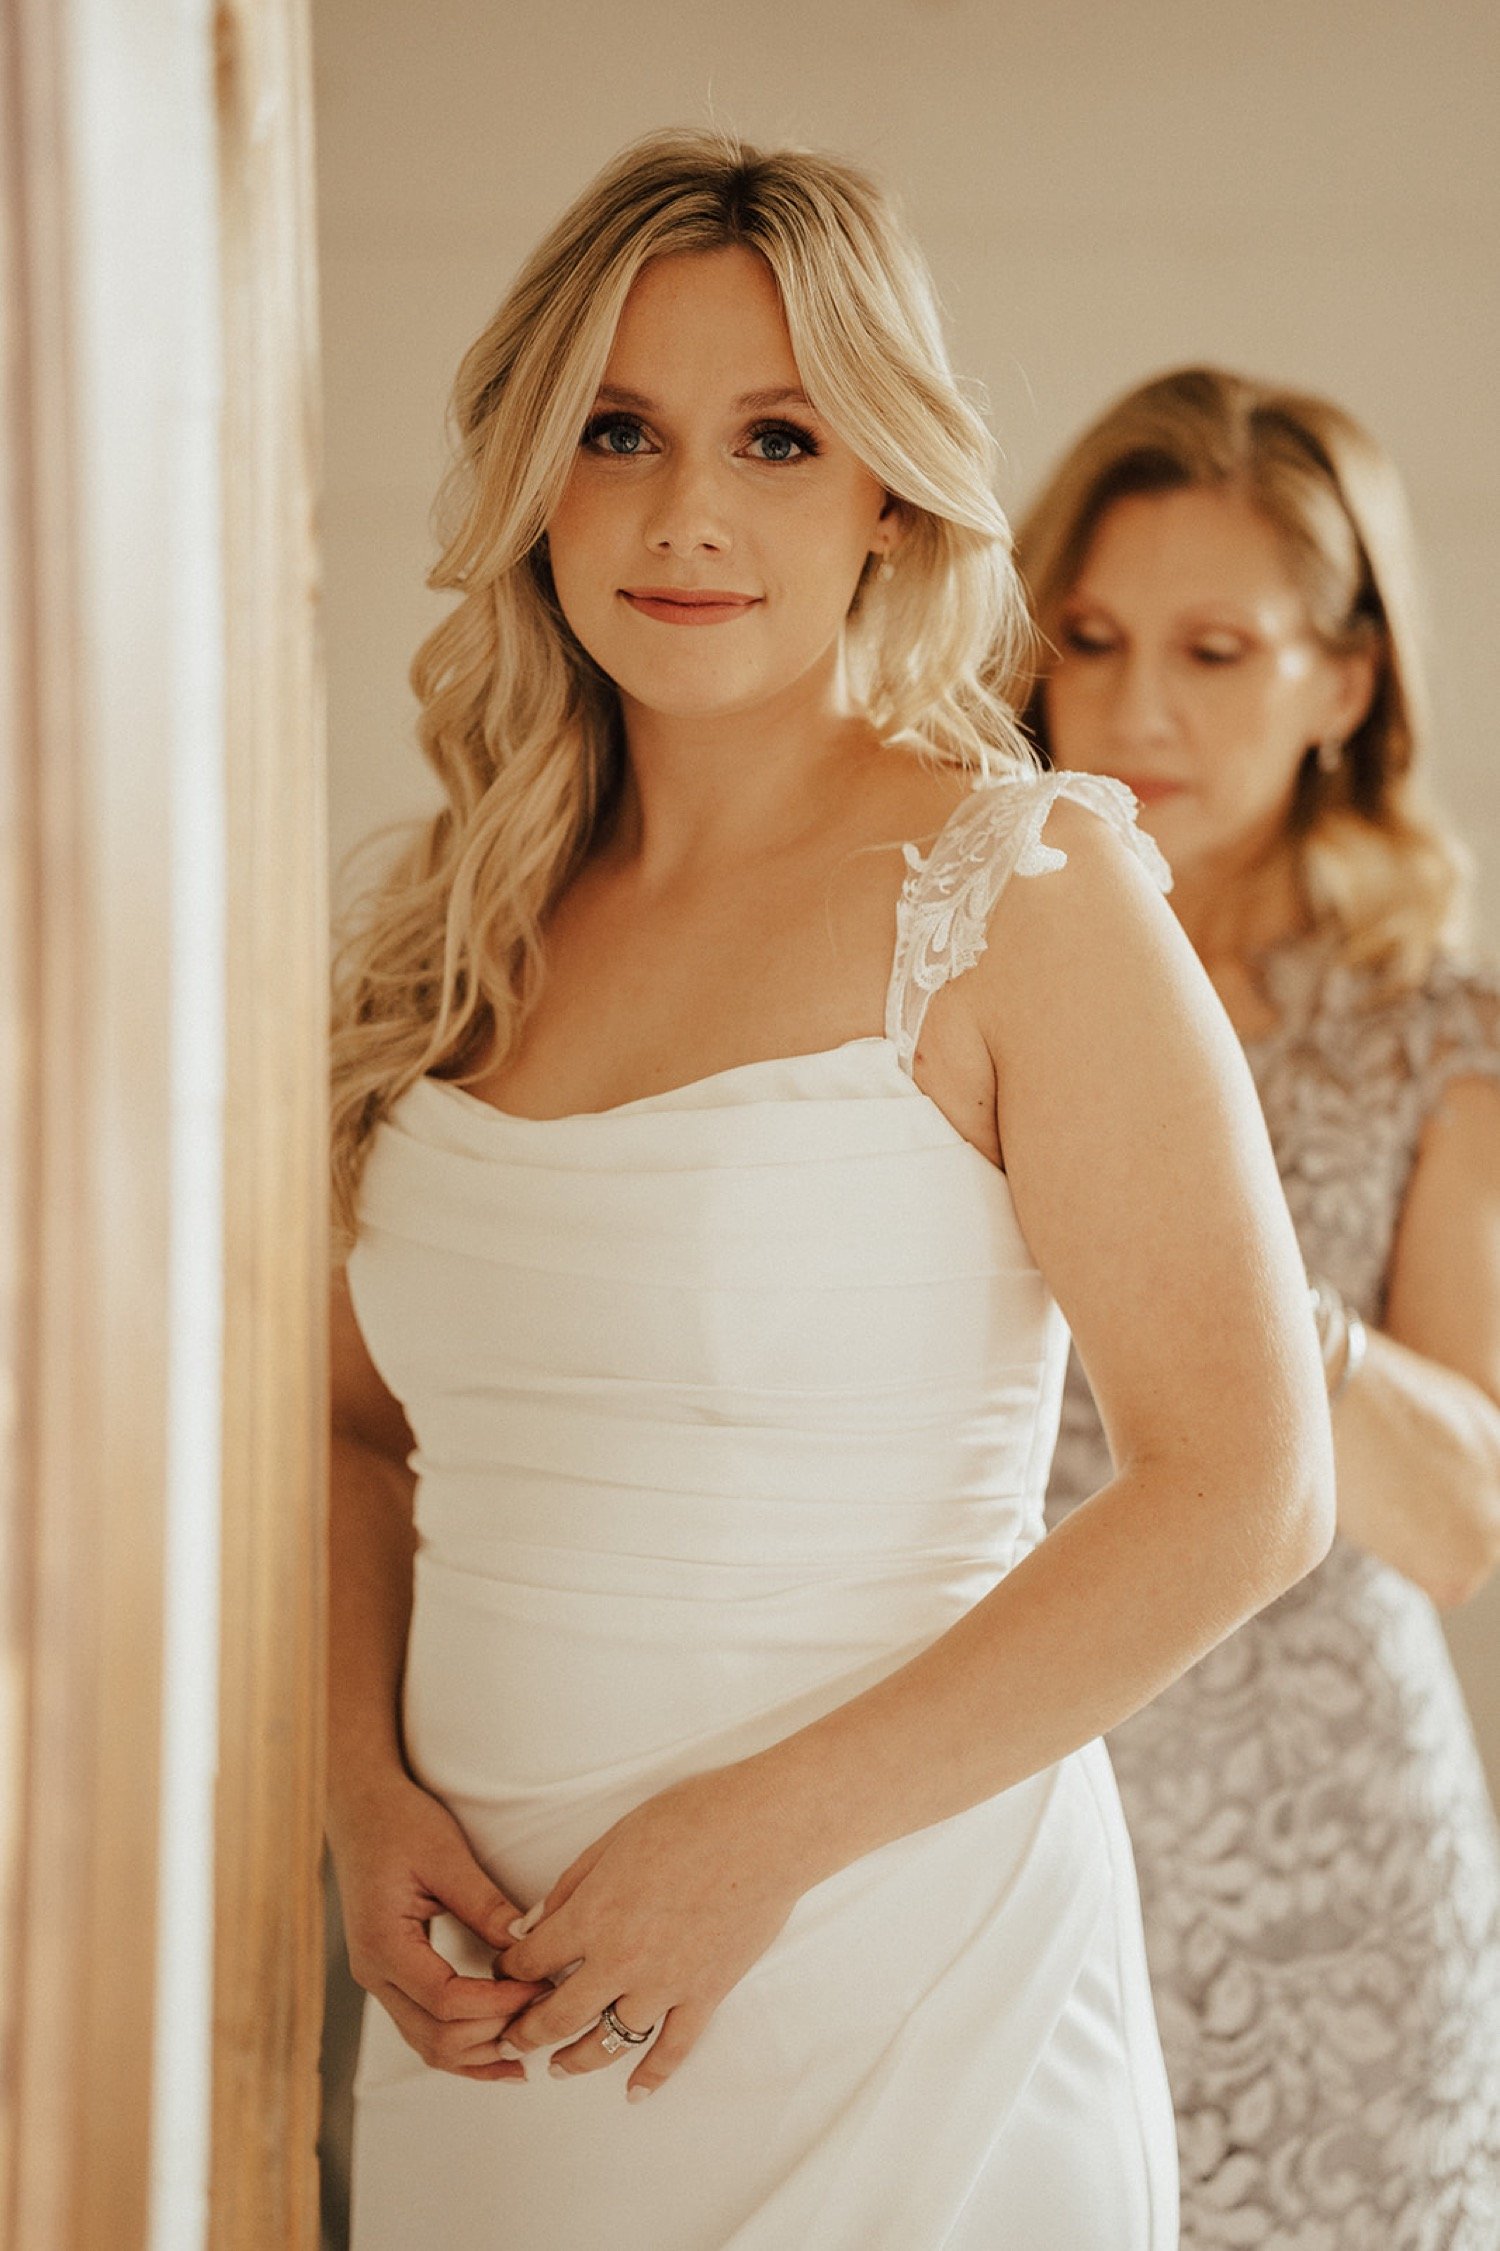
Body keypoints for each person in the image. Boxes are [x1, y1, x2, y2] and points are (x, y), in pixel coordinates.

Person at [326, 138, 1335, 2251]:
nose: (687, 512)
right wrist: (357, 1785)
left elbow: (1245, 1486)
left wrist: (750, 1847)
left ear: (889, 491)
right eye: (619, 430)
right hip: (485, 2028)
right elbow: (352, 1432)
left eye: (778, 439)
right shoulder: (447, 932)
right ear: (535, 473)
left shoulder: (1024, 888)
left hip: (903, 1992)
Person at [1025, 365, 1500, 2248]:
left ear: (1347, 682)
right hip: (997, 1846)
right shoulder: (942, 974)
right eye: (1092, 638)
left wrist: (1221, 1271)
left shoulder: (1433, 1042)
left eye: (1216, 651)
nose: (1140, 707)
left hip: (1333, 1908)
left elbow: (1459, 1521)